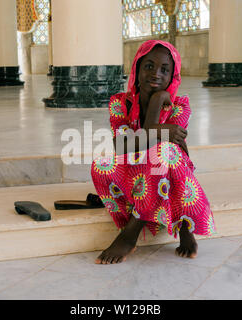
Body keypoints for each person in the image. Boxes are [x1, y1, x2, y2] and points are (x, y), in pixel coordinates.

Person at [91, 40, 216, 265]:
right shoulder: (119, 103)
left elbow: (172, 148)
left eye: (164, 70)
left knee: (163, 153)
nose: (156, 74)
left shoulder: (180, 105)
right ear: (137, 68)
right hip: (133, 169)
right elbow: (121, 146)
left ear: (173, 76)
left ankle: (132, 233)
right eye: (149, 66)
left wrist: (158, 101)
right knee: (102, 165)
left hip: (170, 169)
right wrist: (159, 129)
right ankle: (182, 224)